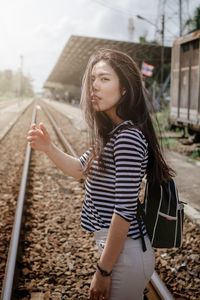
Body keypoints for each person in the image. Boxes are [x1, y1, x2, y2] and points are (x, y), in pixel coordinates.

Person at [27, 49, 174, 300]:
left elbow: (124, 211)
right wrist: (48, 148)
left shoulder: (127, 138)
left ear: (125, 88)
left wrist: (103, 271)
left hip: (126, 256)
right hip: (121, 251)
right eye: (93, 79)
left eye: (104, 78)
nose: (94, 85)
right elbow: (78, 170)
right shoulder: (112, 135)